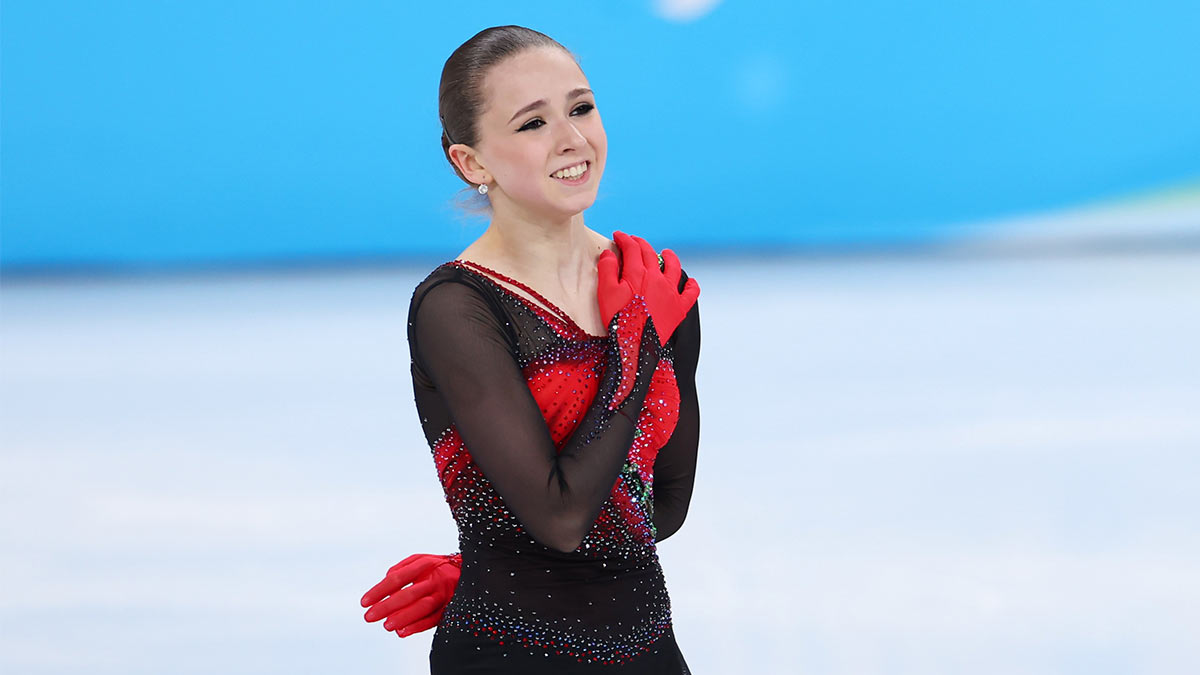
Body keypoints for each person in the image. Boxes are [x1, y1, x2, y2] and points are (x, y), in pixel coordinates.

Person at [359, 25, 702, 673]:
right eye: (533, 123)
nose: (572, 139)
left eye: (581, 108)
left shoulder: (654, 287)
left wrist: (496, 556)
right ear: (472, 163)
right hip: (507, 654)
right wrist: (634, 347)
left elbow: (665, 504)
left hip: (649, 653)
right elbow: (561, 519)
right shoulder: (458, 308)